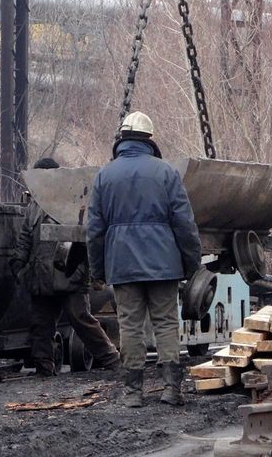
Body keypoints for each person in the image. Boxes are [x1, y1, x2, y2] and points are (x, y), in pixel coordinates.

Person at [86, 111, 202, 408]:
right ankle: (170, 389)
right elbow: (184, 224)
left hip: (122, 264)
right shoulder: (166, 173)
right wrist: (192, 264)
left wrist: (98, 270)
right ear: (150, 140)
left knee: (130, 326)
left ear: (121, 140)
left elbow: (94, 230)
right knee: (165, 323)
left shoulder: (104, 175)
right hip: (163, 264)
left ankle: (133, 393)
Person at [10, 158, 120, 377]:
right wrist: (19, 264)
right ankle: (44, 367)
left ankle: (112, 360)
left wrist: (93, 271)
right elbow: (25, 238)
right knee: (41, 325)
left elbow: (88, 238)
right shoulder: (34, 207)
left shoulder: (74, 203)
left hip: (70, 277)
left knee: (81, 320)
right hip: (41, 278)